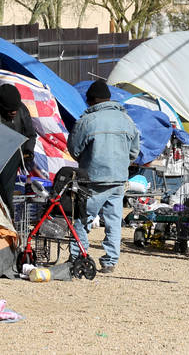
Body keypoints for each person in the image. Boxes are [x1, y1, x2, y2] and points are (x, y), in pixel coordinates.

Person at [67, 80, 140, 274]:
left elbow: (74, 148)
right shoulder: (126, 119)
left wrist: (86, 159)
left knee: (82, 218)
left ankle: (78, 255)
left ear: (90, 101)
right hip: (118, 178)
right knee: (114, 220)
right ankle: (110, 261)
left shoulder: (87, 120)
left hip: (94, 178)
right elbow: (134, 150)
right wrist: (123, 162)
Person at [0, 84, 37, 215]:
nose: (13, 112)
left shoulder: (21, 109)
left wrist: (28, 151)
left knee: (6, 193)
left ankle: (8, 220)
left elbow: (30, 135)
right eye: (10, 111)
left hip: (13, 157)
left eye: (15, 109)